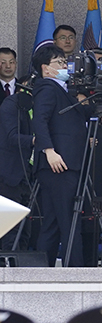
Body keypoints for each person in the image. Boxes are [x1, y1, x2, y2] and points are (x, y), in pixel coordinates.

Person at [31, 45, 88, 266]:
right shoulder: (47, 87)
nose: (65, 67)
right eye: (60, 63)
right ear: (46, 69)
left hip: (66, 162)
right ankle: (75, 270)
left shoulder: (65, 89)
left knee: (54, 222)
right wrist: (49, 151)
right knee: (68, 221)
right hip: (58, 163)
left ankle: (42, 269)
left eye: (65, 63)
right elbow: (40, 120)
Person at [0, 73, 35, 249]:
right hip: (10, 174)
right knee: (10, 230)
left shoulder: (40, 105)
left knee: (26, 229)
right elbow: (11, 137)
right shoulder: (11, 105)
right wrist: (35, 140)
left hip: (30, 175)